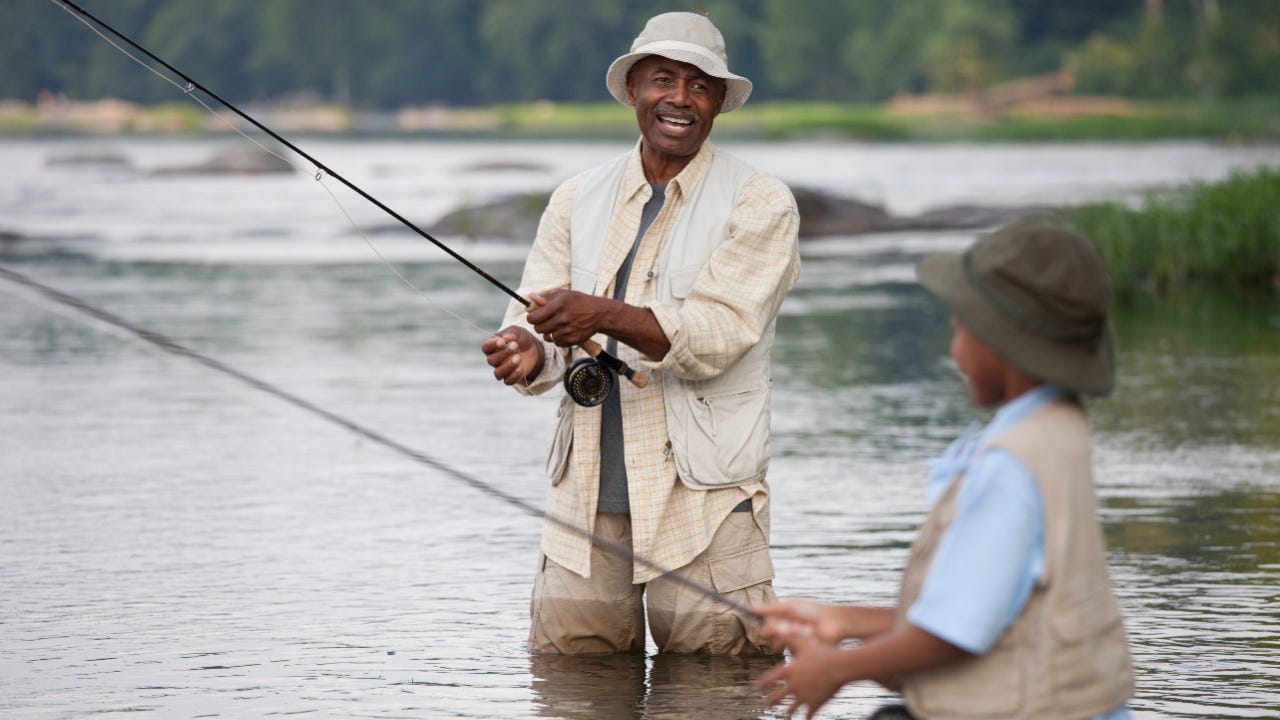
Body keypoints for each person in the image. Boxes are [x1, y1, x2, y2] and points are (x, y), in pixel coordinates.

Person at [480, 12, 800, 655]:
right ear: (634, 90)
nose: (680, 99)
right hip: (584, 499)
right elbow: (536, 315)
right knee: (574, 684)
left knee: (721, 685)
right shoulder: (575, 197)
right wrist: (526, 350)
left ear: (717, 104)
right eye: (663, 80)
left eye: (699, 85)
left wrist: (599, 314)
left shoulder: (761, 202)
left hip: (705, 498)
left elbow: (718, 335)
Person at [754, 217, 1134, 719]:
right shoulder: (1061, 426)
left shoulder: (1009, 464)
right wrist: (841, 621)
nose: (953, 351)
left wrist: (836, 669)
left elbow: (951, 633)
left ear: (1004, 343)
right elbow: (991, 608)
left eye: (960, 329)